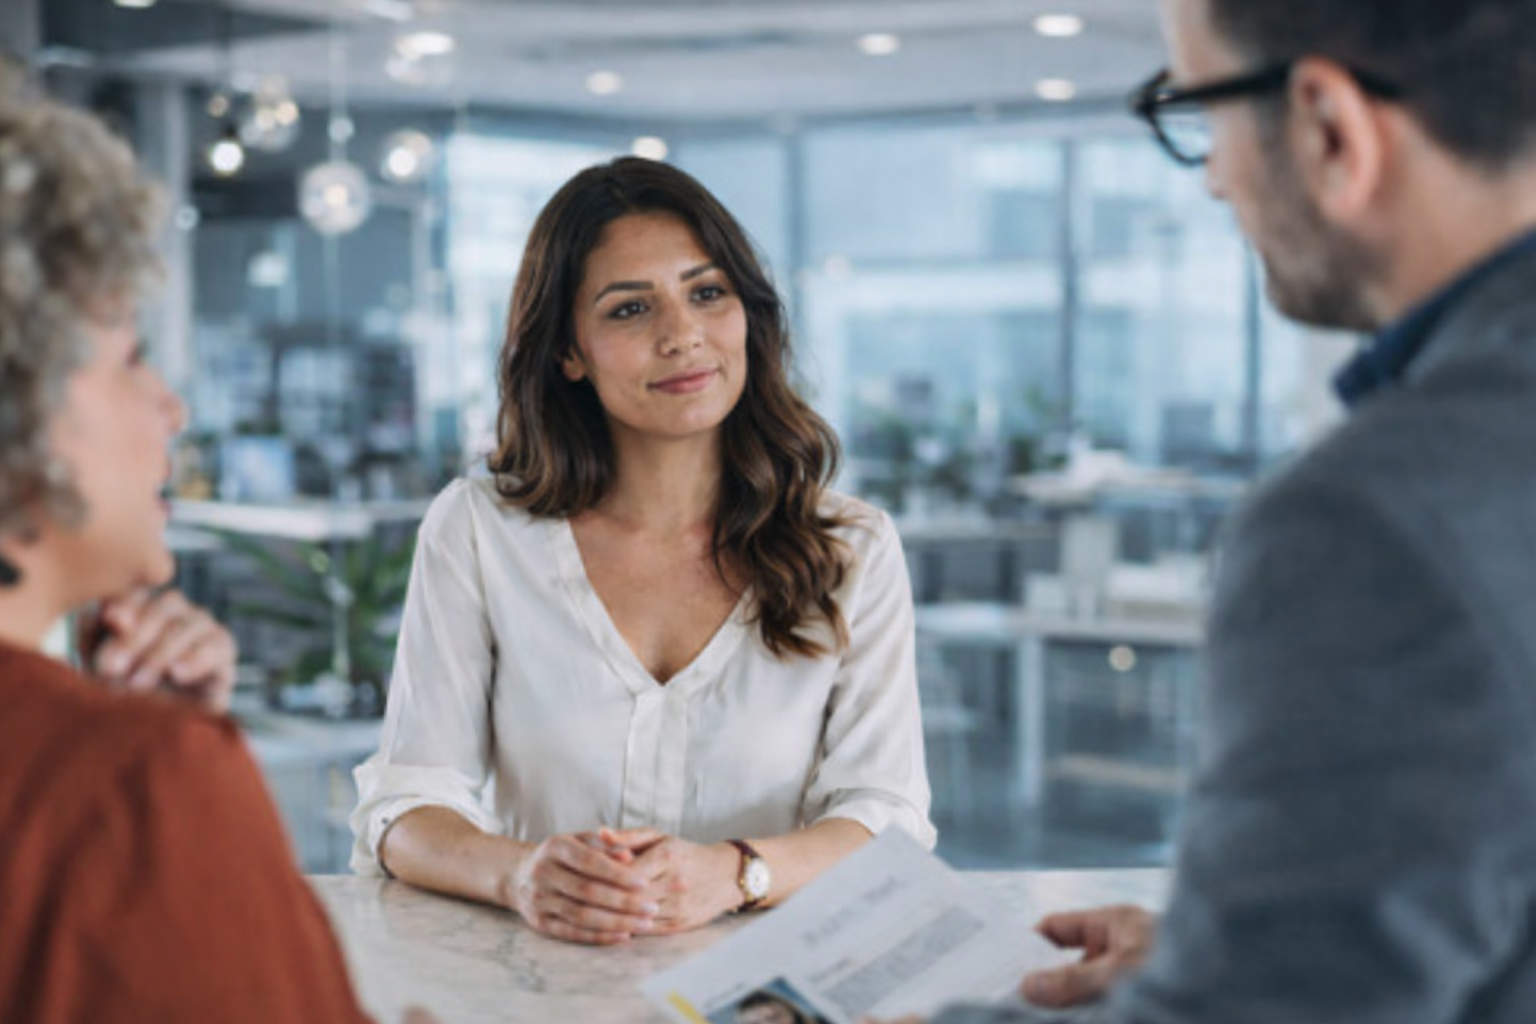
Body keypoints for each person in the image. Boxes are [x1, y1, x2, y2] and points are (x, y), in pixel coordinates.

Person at [894, 1, 1536, 1022]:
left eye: (1200, 112)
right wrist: (1249, 938)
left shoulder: (1375, 520)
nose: (1213, 175)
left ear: (1329, 125)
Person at [350, 157, 935, 945]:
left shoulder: (849, 548)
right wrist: (520, 874)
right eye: (629, 310)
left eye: (707, 292)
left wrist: (733, 874)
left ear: (747, 315)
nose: (682, 335)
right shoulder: (479, 531)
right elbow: (404, 805)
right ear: (570, 352)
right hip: (548, 990)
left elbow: (887, 816)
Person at [0, 85, 400, 1022]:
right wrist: (153, 781)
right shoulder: (126, 784)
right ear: (24, 403)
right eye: (131, 358)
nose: (171, 411)